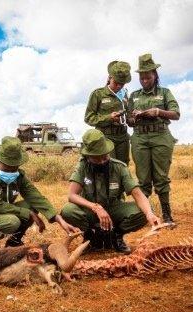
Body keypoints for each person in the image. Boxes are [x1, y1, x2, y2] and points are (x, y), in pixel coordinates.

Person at [61, 129, 162, 253]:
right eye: (97, 159)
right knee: (68, 210)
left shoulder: (119, 167)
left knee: (144, 211)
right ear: (88, 157)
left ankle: (116, 236)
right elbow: (71, 195)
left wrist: (149, 214)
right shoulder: (82, 166)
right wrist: (95, 207)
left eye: (105, 156)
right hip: (90, 211)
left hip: (113, 208)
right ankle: (90, 237)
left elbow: (137, 193)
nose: (102, 161)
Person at [0, 136, 79, 249]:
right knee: (12, 222)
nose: (11, 171)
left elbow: (36, 198)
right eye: (7, 167)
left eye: (14, 168)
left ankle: (14, 242)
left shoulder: (19, 176)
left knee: (32, 206)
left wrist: (59, 220)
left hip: (4, 212)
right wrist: (27, 213)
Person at [127, 54, 180, 226]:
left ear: (155, 75)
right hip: (140, 138)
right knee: (142, 179)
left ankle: (167, 214)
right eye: (141, 77)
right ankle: (145, 215)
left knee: (161, 177)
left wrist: (158, 112)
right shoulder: (134, 96)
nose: (144, 80)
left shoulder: (165, 93)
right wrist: (133, 118)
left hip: (161, 136)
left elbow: (176, 114)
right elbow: (128, 121)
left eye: (148, 77)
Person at [84, 60, 132, 164]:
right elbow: (88, 118)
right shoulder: (98, 94)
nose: (119, 86)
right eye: (116, 83)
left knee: (123, 168)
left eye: (122, 84)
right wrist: (109, 118)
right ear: (110, 78)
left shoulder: (125, 95)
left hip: (123, 138)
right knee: (109, 166)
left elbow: (128, 116)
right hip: (106, 138)